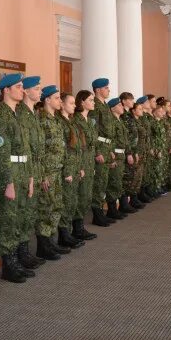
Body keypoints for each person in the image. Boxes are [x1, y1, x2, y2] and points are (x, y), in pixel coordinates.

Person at [0, 73, 35, 283]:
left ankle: (17, 258)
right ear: (6, 90)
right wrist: (8, 182)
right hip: (11, 172)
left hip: (23, 171)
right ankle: (8, 264)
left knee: (21, 216)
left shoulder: (17, 115)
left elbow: (28, 150)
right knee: (8, 219)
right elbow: (0, 153)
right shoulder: (0, 118)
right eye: (18, 87)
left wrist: (31, 177)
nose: (22, 90)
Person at [35, 85, 70, 260]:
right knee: (45, 208)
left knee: (56, 206)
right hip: (48, 172)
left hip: (57, 170)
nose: (59, 101)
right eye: (56, 98)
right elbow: (39, 151)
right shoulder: (41, 120)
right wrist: (42, 175)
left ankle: (51, 241)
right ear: (47, 100)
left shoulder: (56, 119)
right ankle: (43, 245)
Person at [16, 75, 47, 271]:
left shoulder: (33, 113)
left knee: (30, 213)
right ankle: (20, 253)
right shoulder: (20, 114)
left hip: (35, 167)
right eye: (37, 88)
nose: (40, 92)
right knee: (23, 213)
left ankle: (25, 251)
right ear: (26, 91)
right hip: (24, 169)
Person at [57, 91, 88, 246]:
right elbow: (62, 150)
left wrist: (80, 167)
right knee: (66, 202)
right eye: (71, 103)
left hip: (75, 167)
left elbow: (77, 148)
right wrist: (68, 171)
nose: (74, 106)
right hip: (67, 169)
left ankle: (68, 232)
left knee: (72, 201)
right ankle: (63, 235)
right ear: (62, 104)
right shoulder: (60, 123)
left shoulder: (71, 122)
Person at [73, 90, 102, 235]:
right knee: (81, 195)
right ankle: (76, 228)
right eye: (90, 100)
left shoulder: (89, 120)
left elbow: (93, 142)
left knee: (86, 195)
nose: (93, 102)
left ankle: (80, 226)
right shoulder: (76, 120)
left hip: (90, 160)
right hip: (82, 160)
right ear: (82, 102)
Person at [89, 78, 115, 224]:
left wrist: (110, 149)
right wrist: (98, 151)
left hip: (107, 147)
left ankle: (101, 210)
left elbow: (108, 132)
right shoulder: (96, 107)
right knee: (98, 181)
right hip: (100, 147)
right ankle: (97, 213)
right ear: (98, 90)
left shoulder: (105, 106)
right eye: (106, 88)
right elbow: (94, 131)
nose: (108, 90)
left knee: (104, 180)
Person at [106, 97, 130, 218]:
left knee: (119, 181)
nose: (122, 107)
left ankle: (120, 206)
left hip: (121, 154)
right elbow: (109, 140)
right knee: (113, 183)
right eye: (119, 105)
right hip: (115, 154)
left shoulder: (119, 121)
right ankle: (111, 209)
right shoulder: (112, 122)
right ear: (113, 108)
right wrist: (111, 157)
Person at [119, 92, 144, 210]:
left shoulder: (129, 115)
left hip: (133, 150)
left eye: (133, 99)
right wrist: (129, 152)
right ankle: (124, 203)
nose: (133, 101)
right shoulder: (123, 116)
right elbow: (125, 137)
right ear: (123, 101)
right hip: (126, 151)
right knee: (127, 177)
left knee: (132, 175)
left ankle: (131, 200)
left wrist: (135, 151)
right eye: (130, 99)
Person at [133, 96, 153, 205]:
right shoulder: (137, 119)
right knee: (137, 173)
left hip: (144, 148)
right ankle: (137, 195)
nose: (149, 103)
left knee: (143, 172)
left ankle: (142, 192)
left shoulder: (144, 117)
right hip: (139, 149)